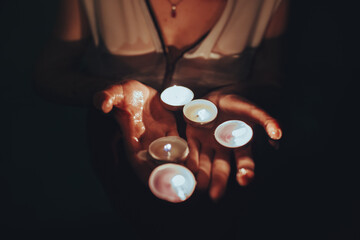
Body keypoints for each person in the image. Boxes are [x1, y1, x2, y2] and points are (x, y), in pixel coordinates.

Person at [35, 0, 288, 238]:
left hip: (221, 154)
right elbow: (49, 75)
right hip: (122, 147)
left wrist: (240, 95)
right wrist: (109, 92)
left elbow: (271, 80)